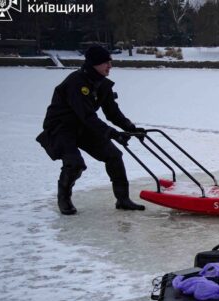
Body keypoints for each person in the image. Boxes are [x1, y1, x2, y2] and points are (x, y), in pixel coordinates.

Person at [36, 45, 146, 215]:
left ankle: (123, 199)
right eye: (105, 63)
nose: (109, 66)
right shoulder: (76, 83)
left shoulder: (102, 84)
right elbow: (87, 115)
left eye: (110, 62)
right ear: (94, 64)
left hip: (84, 127)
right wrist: (111, 133)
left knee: (114, 156)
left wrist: (131, 128)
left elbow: (112, 112)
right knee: (75, 164)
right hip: (61, 127)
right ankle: (64, 199)